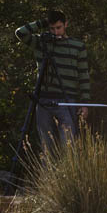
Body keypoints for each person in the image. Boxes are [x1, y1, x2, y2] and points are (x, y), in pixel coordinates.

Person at [15, 10, 90, 150]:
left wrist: (84, 103)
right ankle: (46, 172)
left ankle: (70, 172)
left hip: (68, 101)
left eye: (59, 27)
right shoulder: (42, 42)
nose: (56, 32)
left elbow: (83, 76)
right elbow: (20, 33)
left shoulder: (78, 46)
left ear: (66, 24)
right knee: (46, 146)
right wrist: (43, 22)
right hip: (43, 100)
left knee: (69, 145)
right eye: (52, 28)